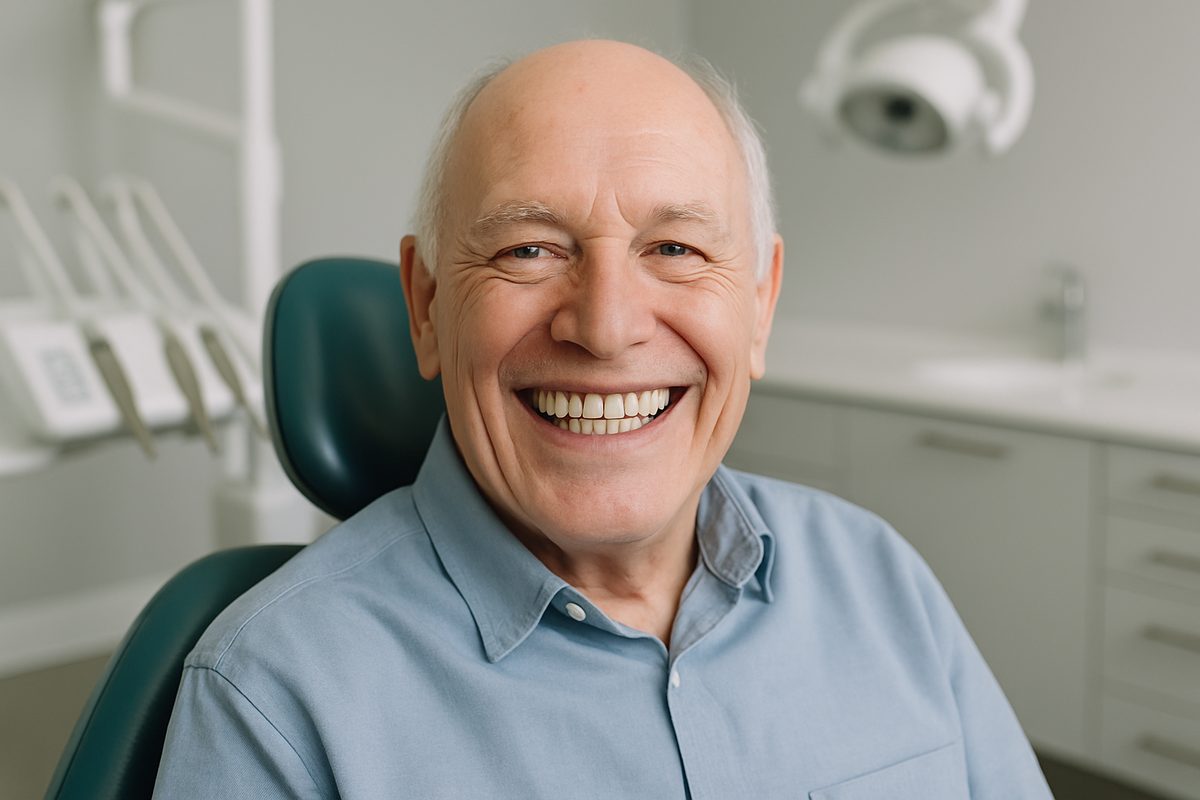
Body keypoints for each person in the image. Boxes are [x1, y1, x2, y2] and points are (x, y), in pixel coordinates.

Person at [153, 40, 1052, 798]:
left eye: (675, 248)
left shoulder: (881, 581)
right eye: (529, 249)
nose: (607, 325)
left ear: (760, 304)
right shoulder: (273, 695)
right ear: (426, 307)